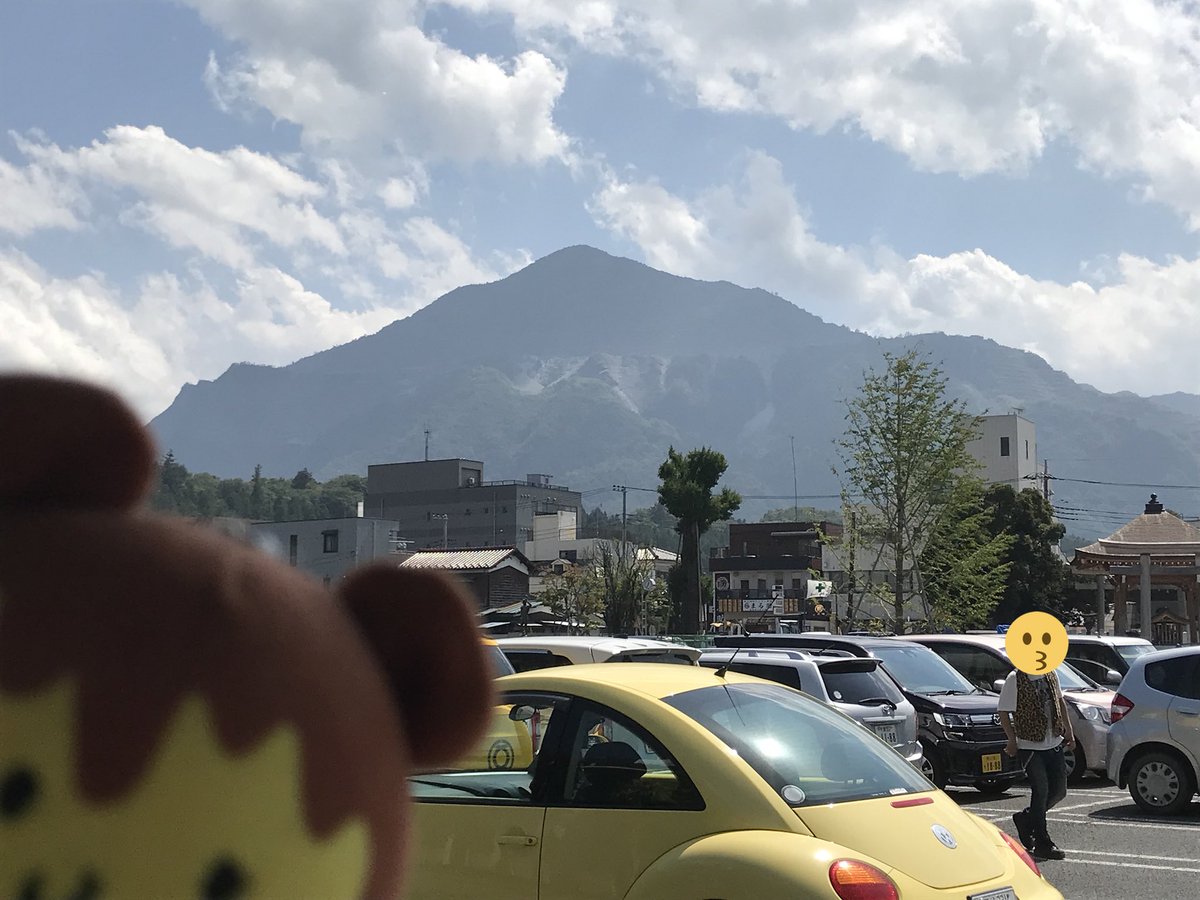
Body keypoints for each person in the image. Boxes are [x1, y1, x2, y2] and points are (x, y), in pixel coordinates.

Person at [998, 667, 1075, 860]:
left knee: (1059, 791)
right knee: (1041, 791)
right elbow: (1003, 712)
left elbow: (1060, 702)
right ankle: (1043, 843)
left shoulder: (1050, 673)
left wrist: (1069, 731)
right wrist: (1012, 739)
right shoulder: (1015, 678)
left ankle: (1026, 818)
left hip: (1054, 742)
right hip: (1030, 745)